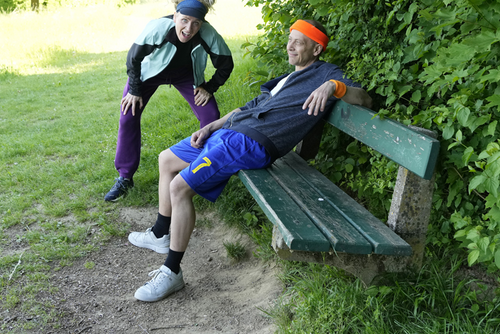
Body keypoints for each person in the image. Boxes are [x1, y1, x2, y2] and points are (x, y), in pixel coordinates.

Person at [128, 19, 373, 302]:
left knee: (179, 188)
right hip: (229, 133)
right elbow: (248, 107)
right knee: (166, 160)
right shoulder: (286, 78)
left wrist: (333, 87)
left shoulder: (326, 73)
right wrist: (211, 126)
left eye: (299, 42)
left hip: (249, 143)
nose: (290, 46)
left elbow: (365, 99)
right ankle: (160, 233)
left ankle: (172, 272)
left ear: (316, 49)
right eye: (290, 40)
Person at [104, 0, 234, 201]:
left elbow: (226, 64)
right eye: (184, 20)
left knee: (211, 115)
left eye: (196, 23)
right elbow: (133, 58)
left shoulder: (208, 33)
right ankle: (125, 176)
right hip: (149, 74)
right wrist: (135, 90)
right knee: (128, 115)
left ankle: (203, 171)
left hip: (186, 76)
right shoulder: (158, 27)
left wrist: (209, 88)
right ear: (175, 16)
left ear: (202, 23)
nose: (189, 29)